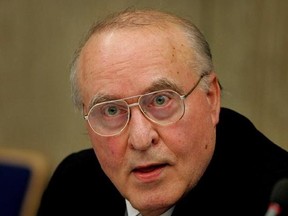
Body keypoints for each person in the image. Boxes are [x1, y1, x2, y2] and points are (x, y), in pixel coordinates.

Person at [36, 8, 288, 216]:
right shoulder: (73, 184)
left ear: (211, 99)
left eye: (160, 100)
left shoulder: (275, 197)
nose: (141, 139)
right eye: (111, 110)